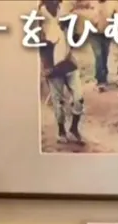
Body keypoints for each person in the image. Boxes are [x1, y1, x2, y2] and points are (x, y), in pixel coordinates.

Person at [40, 0, 86, 144]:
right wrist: (46, 64)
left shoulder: (64, 10)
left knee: (79, 97)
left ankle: (73, 129)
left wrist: (73, 30)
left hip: (69, 63)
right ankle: (61, 131)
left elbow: (75, 38)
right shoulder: (40, 15)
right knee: (58, 101)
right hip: (53, 66)